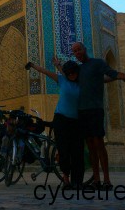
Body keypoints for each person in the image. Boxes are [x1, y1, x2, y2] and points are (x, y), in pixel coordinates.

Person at [71, 41, 125, 190]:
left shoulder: (97, 63)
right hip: (82, 111)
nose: (77, 53)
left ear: (85, 49)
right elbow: (98, 80)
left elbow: (112, 73)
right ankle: (96, 180)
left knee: (99, 144)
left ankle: (107, 180)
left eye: (79, 50)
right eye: (75, 52)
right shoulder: (79, 70)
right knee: (91, 146)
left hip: (95, 110)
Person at [25, 57, 83, 189]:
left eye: (74, 73)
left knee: (76, 152)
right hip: (61, 120)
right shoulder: (62, 80)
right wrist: (33, 65)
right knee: (63, 151)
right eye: (69, 73)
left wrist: (120, 77)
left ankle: (77, 181)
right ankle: (66, 179)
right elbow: (45, 71)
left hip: (76, 121)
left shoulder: (82, 83)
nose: (72, 75)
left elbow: (99, 80)